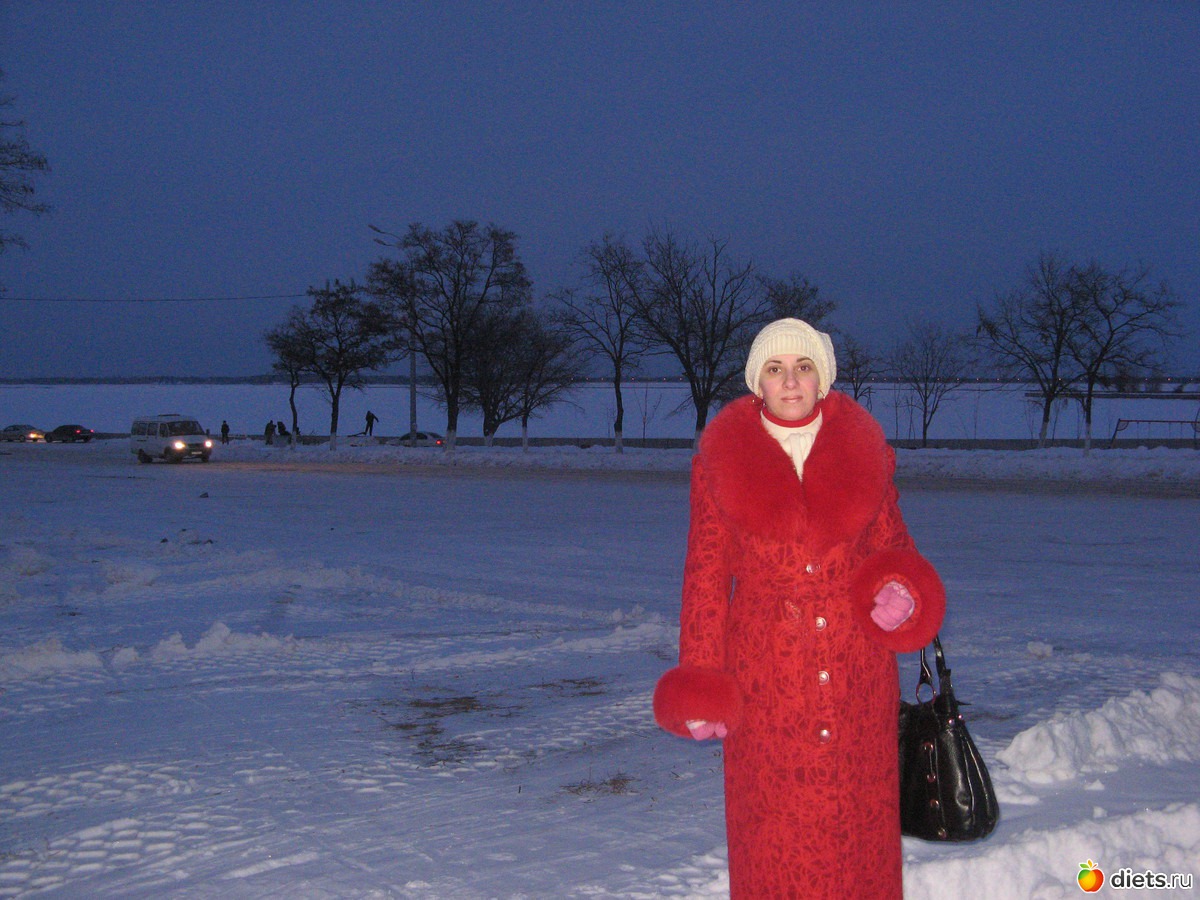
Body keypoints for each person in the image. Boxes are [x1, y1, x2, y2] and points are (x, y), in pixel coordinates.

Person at [652, 318, 946, 899]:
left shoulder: (864, 453)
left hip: (858, 678)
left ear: (822, 379)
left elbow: (894, 550)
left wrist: (901, 592)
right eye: (776, 368)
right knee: (774, 836)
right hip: (766, 682)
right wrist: (702, 679)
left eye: (803, 367)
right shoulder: (720, 462)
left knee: (859, 832)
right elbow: (705, 577)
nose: (790, 381)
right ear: (757, 382)